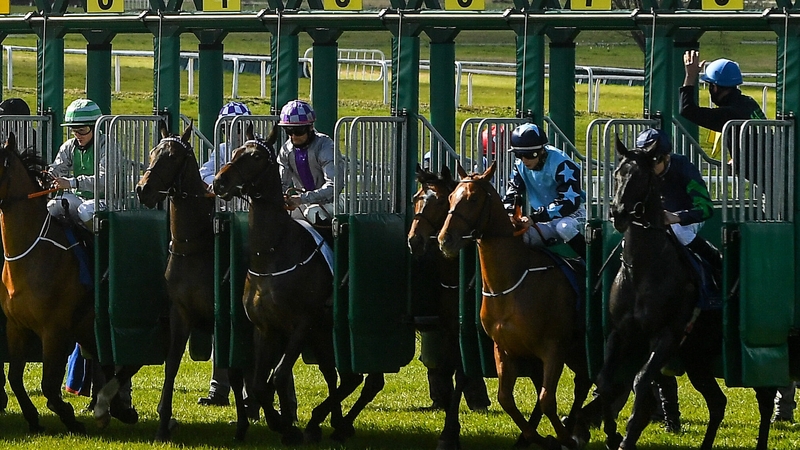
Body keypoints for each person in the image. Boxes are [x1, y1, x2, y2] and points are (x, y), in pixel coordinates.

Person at [197, 100, 251, 407]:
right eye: (229, 127)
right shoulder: (219, 152)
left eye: (239, 126)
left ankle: (253, 390)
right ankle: (220, 388)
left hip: (252, 232)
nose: (235, 132)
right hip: (224, 232)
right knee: (222, 310)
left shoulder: (255, 151)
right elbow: (204, 177)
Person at [502, 122, 587, 259]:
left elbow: (569, 202)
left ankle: (594, 269)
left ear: (541, 151)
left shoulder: (562, 163)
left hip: (573, 214)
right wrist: (510, 213)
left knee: (564, 227)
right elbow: (512, 192)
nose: (524, 160)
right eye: (519, 154)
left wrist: (535, 218)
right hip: (545, 220)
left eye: (529, 155)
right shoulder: (519, 166)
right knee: (518, 236)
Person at [679, 50, 766, 173]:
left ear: (714, 87)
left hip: (770, 175)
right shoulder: (748, 102)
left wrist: (690, 76)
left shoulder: (730, 114)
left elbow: (687, 109)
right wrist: (738, 159)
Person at [276, 99, 343, 232]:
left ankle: (331, 252)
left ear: (310, 127)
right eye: (288, 130)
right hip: (303, 204)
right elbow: (282, 183)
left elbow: (334, 186)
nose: (293, 136)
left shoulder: (325, 146)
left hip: (331, 203)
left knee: (314, 213)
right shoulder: (286, 150)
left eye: (298, 130)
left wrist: (302, 199)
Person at [48, 98, 106, 231]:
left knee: (85, 211)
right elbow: (57, 167)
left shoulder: (107, 146)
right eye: (74, 130)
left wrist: (71, 183)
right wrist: (47, 176)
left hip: (108, 200)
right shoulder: (69, 146)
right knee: (53, 205)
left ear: (95, 127)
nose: (78, 135)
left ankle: (99, 248)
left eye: (82, 130)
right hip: (81, 198)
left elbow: (103, 181)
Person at [198, 101, 251, 188]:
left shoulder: (258, 147)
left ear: (248, 127)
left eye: (237, 128)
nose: (231, 134)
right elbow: (204, 173)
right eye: (225, 129)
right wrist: (221, 182)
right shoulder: (222, 148)